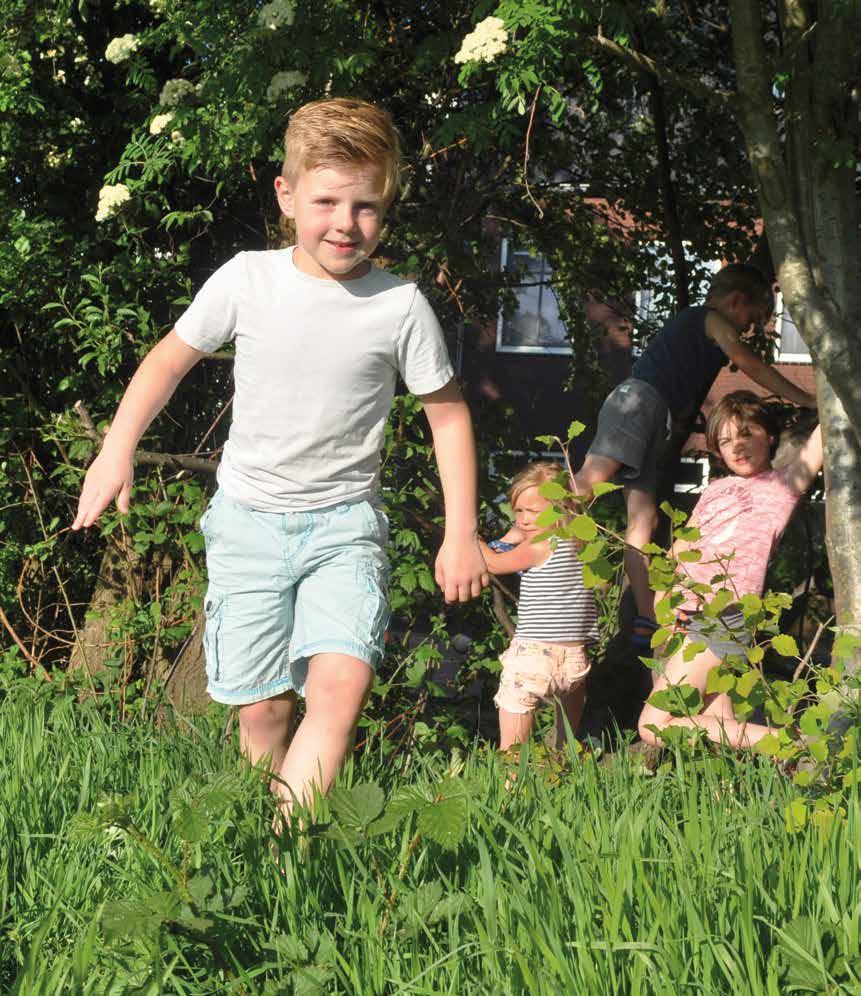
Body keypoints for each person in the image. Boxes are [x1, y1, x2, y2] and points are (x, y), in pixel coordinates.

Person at [72, 97, 489, 821]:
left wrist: (460, 534)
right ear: (287, 195)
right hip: (249, 524)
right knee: (261, 710)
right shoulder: (247, 280)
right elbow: (168, 360)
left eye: (365, 207)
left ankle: (287, 847)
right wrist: (116, 452)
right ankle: (257, 825)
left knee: (339, 688)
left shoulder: (399, 307)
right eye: (326, 201)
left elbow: (447, 416)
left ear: (385, 206)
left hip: (344, 527)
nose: (345, 223)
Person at [571, 264, 817, 649]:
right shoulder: (710, 318)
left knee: (644, 520)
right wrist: (801, 397)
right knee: (594, 477)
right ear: (736, 302)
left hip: (657, 416)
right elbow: (747, 361)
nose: (749, 331)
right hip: (636, 402)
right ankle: (537, 525)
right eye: (751, 320)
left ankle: (646, 617)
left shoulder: (700, 330)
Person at [637, 391, 823, 750]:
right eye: (724, 441)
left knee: (653, 724)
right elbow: (682, 549)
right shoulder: (714, 491)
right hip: (688, 616)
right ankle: (732, 792)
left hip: (725, 613)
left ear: (768, 436)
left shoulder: (781, 487)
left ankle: (796, 747)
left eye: (745, 433)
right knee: (720, 725)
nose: (736, 446)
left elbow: (818, 445)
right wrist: (664, 602)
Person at [480, 462, 599, 751]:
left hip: (534, 657)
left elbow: (493, 562)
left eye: (531, 513)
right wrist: (518, 533)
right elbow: (515, 541)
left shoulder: (539, 548)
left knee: (512, 752)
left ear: (560, 509)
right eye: (517, 511)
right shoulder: (578, 540)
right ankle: (563, 772)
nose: (522, 520)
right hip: (574, 661)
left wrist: (471, 538)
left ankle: (509, 792)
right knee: (565, 745)